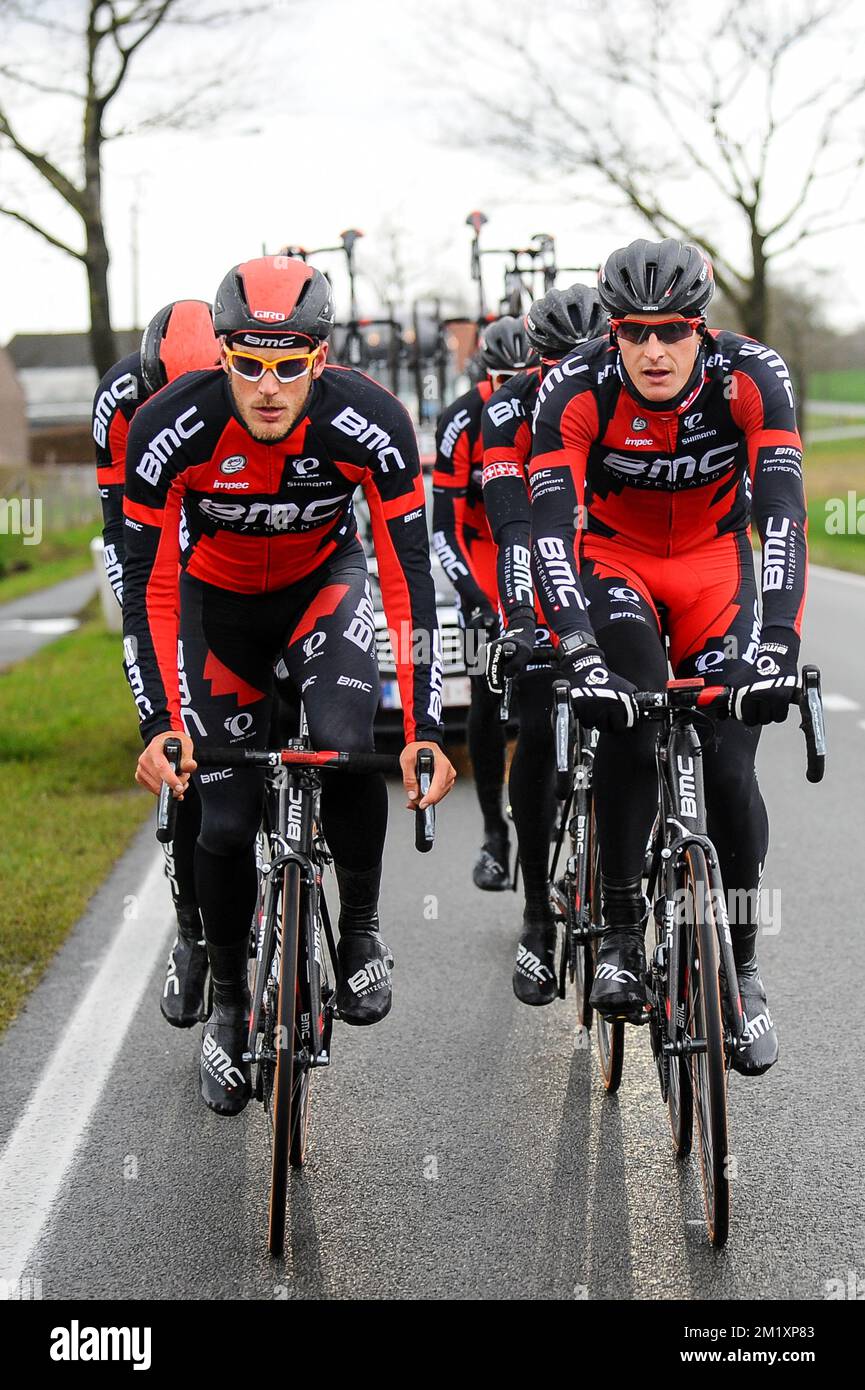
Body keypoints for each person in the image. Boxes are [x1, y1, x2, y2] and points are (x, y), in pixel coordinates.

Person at [122, 255, 455, 1115]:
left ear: (321, 357)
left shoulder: (369, 420)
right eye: (247, 363)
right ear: (223, 354)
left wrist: (422, 722)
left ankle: (362, 929)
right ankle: (230, 1003)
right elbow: (150, 590)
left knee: (345, 751)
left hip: (323, 589)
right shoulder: (170, 427)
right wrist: (158, 720)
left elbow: (405, 571)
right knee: (225, 822)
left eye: (291, 363)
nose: (268, 387)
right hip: (215, 609)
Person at [529, 238, 807, 1074]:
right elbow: (549, 533)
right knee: (626, 707)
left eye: (673, 331)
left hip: (715, 568)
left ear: (701, 328)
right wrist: (576, 650)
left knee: (728, 767)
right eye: (634, 332)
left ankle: (745, 967)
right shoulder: (573, 386)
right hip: (615, 566)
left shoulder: (753, 376)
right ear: (613, 331)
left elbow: (784, 518)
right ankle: (617, 929)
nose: (654, 350)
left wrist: (779, 647)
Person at [92, 299, 220, 1028]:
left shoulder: (238, 388)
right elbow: (125, 542)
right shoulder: (117, 402)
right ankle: (193, 930)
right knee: (179, 738)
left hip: (223, 530)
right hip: (152, 543)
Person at [483, 285, 608, 1004]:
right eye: (556, 360)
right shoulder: (509, 410)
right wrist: (520, 622)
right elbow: (513, 529)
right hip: (539, 566)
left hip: (617, 571)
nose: (570, 373)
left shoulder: (625, 397)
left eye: (584, 358)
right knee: (533, 726)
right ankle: (536, 916)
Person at [431, 316, 538, 891]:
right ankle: (495, 832)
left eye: (526, 376)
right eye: (501, 378)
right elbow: (443, 528)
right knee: (485, 692)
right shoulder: (461, 421)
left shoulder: (563, 401)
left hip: (543, 551)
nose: (514, 388)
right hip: (481, 557)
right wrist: (477, 598)